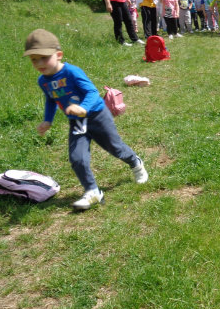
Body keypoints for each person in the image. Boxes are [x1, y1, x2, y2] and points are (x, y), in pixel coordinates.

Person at [23, 29, 148, 211]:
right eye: (34, 59)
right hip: (77, 122)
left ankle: (135, 163)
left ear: (59, 55)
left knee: (115, 148)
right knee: (77, 158)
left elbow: (91, 92)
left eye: (44, 57)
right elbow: (51, 99)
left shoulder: (72, 72)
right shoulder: (43, 81)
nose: (39, 63)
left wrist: (83, 108)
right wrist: (47, 120)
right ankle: (93, 191)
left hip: (97, 116)